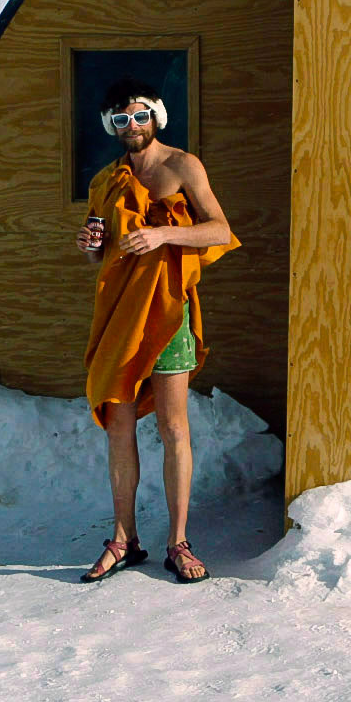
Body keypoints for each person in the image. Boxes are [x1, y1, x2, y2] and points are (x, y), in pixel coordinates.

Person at [77, 81, 239, 584]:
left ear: (156, 116)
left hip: (168, 313)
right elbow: (101, 254)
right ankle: (123, 538)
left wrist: (164, 233)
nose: (132, 126)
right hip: (121, 315)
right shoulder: (106, 180)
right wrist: (89, 245)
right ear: (111, 126)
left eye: (140, 115)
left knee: (173, 427)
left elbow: (220, 229)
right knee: (118, 426)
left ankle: (178, 541)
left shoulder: (183, 166)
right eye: (121, 120)